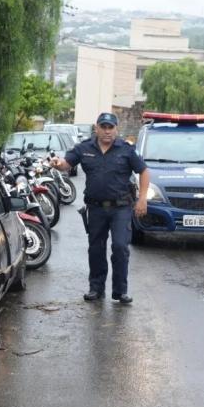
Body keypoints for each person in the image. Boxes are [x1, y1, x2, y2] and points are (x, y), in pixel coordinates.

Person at [50, 112, 150, 304]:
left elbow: (144, 171)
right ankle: (96, 288)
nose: (106, 131)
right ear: (96, 128)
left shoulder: (126, 149)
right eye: (103, 127)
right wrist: (58, 163)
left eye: (110, 127)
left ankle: (120, 291)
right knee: (96, 248)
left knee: (120, 247)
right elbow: (66, 163)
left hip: (121, 208)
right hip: (95, 208)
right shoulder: (85, 147)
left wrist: (143, 199)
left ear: (116, 129)